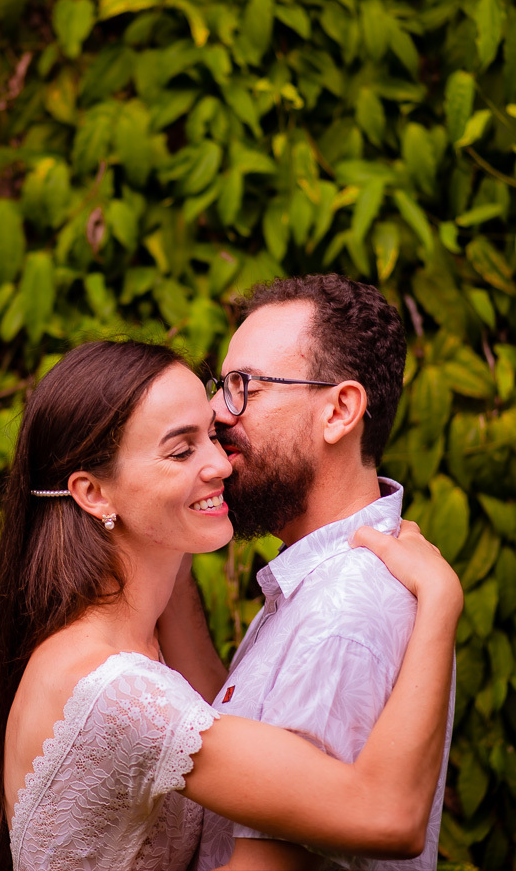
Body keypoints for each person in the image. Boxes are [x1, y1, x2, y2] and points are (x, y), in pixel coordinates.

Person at [0, 338, 461, 871]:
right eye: (181, 449)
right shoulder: (116, 689)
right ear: (94, 494)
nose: (221, 463)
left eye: (213, 436)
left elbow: (228, 708)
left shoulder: (129, 638)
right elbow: (387, 817)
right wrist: (441, 602)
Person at [158, 274, 455, 871]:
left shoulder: (341, 612)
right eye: (222, 385)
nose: (216, 410)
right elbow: (224, 720)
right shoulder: (321, 581)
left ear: (340, 411)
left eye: (245, 386)